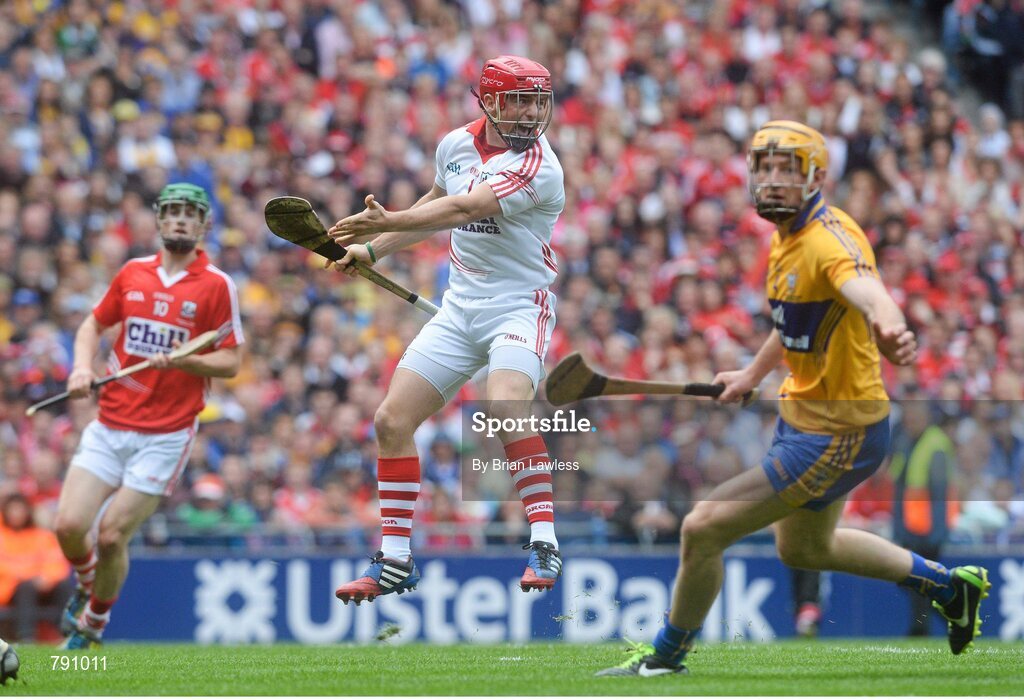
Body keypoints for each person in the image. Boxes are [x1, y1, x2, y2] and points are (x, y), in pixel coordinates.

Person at [598, 121, 989, 677]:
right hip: (805, 416)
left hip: (839, 432)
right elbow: (792, 320)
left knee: (703, 526)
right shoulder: (786, 240)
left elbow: (866, 289)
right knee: (804, 550)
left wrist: (890, 324)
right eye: (765, 167)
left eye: (789, 169)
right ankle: (950, 589)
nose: (774, 180)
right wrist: (752, 373)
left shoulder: (829, 240)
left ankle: (666, 656)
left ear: (816, 178)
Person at [326, 55, 565, 603]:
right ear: (488, 101)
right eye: (518, 100)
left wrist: (386, 221)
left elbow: (464, 209)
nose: (531, 114)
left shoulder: (538, 165)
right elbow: (434, 202)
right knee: (391, 420)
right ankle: (395, 559)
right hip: (459, 309)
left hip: (517, 306)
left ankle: (545, 541)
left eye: (538, 102)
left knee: (505, 405)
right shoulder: (455, 144)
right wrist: (370, 249)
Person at [53, 183, 244, 649]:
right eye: (172, 212)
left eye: (190, 214)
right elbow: (92, 325)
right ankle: (87, 582)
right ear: (159, 220)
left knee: (113, 534)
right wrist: (81, 367)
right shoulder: (133, 273)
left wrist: (186, 361)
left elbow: (231, 362)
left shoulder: (217, 285)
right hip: (111, 423)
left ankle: (92, 628)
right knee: (69, 528)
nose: (180, 220)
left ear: (204, 225)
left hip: (166, 434)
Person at [890, 398, 959, 636]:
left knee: (918, 581)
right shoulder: (906, 442)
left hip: (927, 529)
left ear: (926, 419)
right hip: (911, 527)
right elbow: (899, 483)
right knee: (917, 581)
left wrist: (938, 532)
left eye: (915, 419)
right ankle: (953, 613)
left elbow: (940, 492)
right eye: (908, 420)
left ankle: (920, 628)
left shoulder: (935, 445)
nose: (910, 423)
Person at [0, 494, 73, 642]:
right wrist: (30, 576)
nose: (16, 514)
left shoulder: (43, 536)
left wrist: (47, 579)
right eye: (12, 509)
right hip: (9, 590)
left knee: (64, 586)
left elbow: (57, 563)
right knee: (26, 587)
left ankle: (68, 634)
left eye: (20, 509)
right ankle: (26, 636)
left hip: (43, 588)